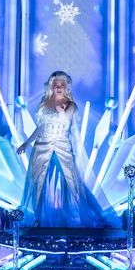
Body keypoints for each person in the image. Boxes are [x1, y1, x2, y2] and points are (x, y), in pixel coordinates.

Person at [16, 71, 117, 228]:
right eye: (55, 85)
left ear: (66, 87)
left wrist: (61, 112)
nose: (58, 88)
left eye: (61, 85)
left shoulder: (70, 105)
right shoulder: (44, 105)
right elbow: (40, 128)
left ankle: (84, 214)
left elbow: (66, 120)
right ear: (51, 86)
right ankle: (38, 217)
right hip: (42, 146)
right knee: (38, 182)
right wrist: (27, 143)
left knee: (71, 181)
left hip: (61, 145)